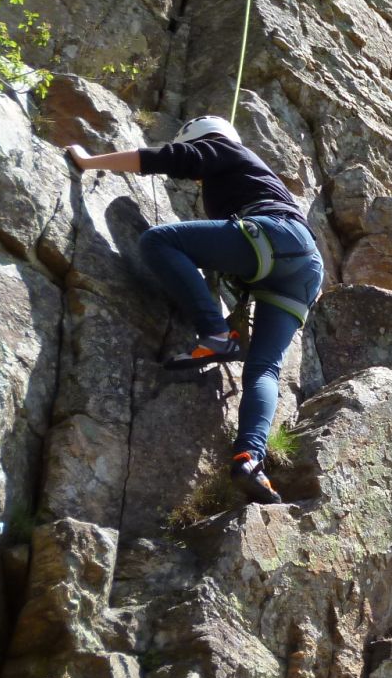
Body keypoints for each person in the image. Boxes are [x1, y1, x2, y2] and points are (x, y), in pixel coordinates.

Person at [64, 116, 323, 505]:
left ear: (201, 138)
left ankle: (216, 334)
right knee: (264, 369)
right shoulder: (248, 172)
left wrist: (89, 161)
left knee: (158, 241)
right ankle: (250, 460)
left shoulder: (223, 147)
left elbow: (166, 158)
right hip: (304, 269)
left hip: (275, 237)